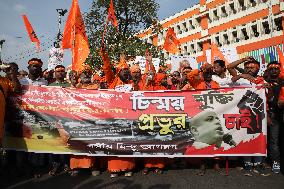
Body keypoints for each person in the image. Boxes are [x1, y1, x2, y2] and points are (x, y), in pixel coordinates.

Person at [101, 48, 135, 177]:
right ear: (118, 72)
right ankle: (114, 169)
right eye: (124, 72)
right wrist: (104, 55)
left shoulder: (131, 83)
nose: (126, 74)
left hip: (128, 117)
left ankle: (128, 167)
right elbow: (107, 68)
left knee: (127, 142)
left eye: (128, 72)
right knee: (114, 142)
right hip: (113, 117)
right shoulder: (112, 80)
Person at [264, 62, 282, 174]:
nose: (274, 70)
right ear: (268, 70)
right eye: (272, 68)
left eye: (276, 68)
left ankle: (277, 160)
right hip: (268, 114)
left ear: (280, 70)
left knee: (276, 140)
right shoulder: (263, 83)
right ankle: (271, 161)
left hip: (279, 114)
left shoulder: (283, 82)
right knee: (270, 139)